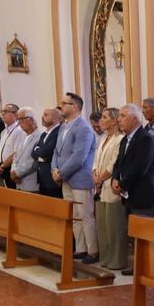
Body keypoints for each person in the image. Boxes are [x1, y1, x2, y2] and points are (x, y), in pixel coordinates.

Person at [112, 103, 154, 274]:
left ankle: (148, 268)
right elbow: (118, 163)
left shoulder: (145, 139)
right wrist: (114, 179)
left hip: (143, 194)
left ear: (134, 119)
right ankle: (138, 266)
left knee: (145, 233)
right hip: (129, 194)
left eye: (123, 116)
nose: (119, 120)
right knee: (133, 232)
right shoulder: (125, 139)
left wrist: (122, 184)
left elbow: (140, 167)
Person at [53, 91, 99, 262]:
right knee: (74, 216)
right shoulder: (63, 126)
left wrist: (61, 173)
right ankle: (80, 248)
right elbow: (56, 152)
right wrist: (54, 169)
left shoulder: (84, 128)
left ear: (75, 107)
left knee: (85, 216)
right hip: (65, 178)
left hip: (79, 178)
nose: (61, 107)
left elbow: (79, 156)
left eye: (64, 104)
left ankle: (92, 251)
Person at [93, 108, 129, 271]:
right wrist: (95, 174)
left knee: (114, 226)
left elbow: (114, 163)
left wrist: (101, 178)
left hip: (110, 185)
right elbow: (96, 160)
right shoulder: (103, 138)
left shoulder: (119, 139)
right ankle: (105, 258)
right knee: (103, 226)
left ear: (114, 121)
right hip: (100, 186)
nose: (101, 120)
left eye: (105, 117)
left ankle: (116, 260)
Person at [31, 107, 64, 197]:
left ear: (55, 118)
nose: (42, 117)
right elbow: (33, 153)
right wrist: (39, 150)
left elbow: (46, 152)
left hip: (52, 176)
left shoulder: (58, 132)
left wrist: (38, 149)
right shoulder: (44, 134)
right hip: (42, 175)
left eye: (46, 115)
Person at [10, 108, 45, 192]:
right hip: (18, 182)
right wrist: (13, 171)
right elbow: (15, 157)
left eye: (22, 119)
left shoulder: (40, 136)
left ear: (31, 119)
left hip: (31, 182)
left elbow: (33, 161)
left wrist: (17, 173)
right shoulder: (22, 136)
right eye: (18, 119)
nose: (19, 122)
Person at [0, 102, 23, 186]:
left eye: (6, 111)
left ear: (16, 114)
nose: (3, 114)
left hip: (11, 167)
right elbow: (1, 149)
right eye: (2, 111)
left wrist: (3, 166)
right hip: (2, 167)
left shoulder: (19, 131)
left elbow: (16, 152)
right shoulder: (3, 132)